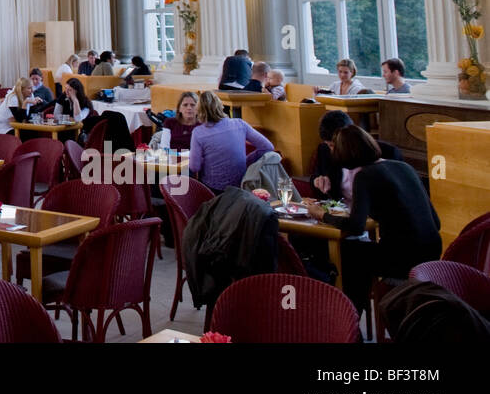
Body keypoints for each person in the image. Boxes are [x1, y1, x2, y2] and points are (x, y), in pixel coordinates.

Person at [307, 125, 442, 310]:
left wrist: (322, 214)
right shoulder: (404, 167)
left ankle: (350, 314)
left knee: (346, 253)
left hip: (404, 258)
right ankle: (355, 315)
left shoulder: (365, 176)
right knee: (360, 254)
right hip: (433, 251)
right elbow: (436, 222)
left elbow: (356, 226)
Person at [188, 90, 274, 191]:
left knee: (187, 181)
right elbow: (268, 147)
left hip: (213, 189)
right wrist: (245, 161)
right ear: (221, 106)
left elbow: (194, 167)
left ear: (199, 111)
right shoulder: (240, 124)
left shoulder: (198, 133)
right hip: (241, 185)